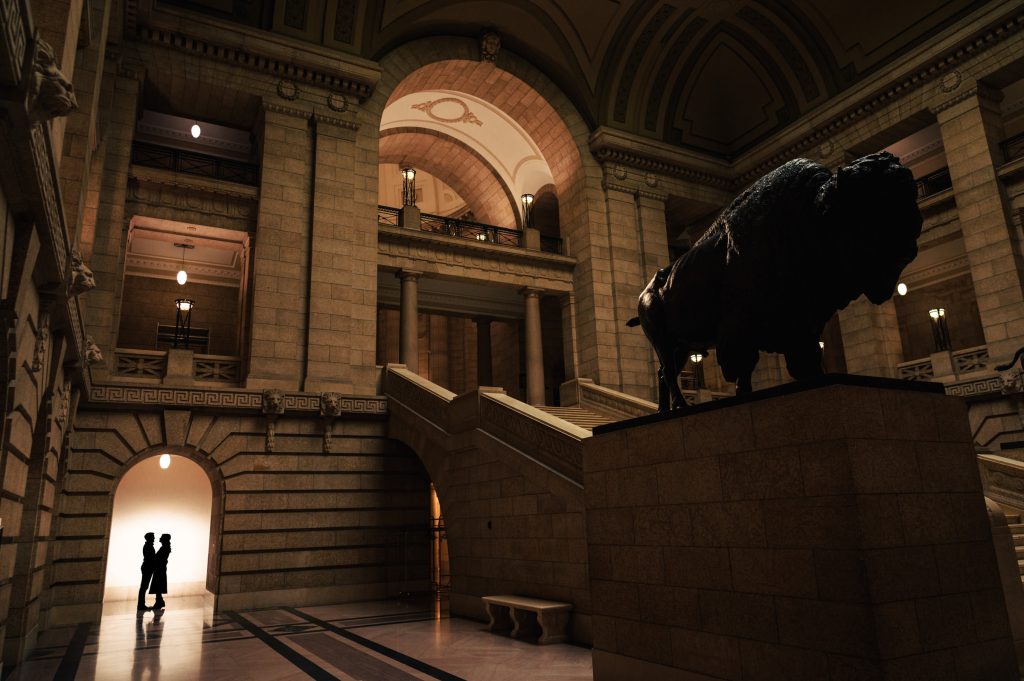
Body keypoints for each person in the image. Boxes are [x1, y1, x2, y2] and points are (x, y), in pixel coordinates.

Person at [149, 533, 171, 610]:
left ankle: (159, 601)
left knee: (158, 586)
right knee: (158, 586)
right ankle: (159, 601)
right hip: (160, 569)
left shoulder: (164, 548)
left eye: (161, 537)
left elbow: (159, 558)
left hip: (160, 569)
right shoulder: (165, 547)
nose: (160, 538)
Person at [137, 532, 155, 612]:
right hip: (147, 567)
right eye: (153, 537)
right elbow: (150, 558)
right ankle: (141, 605)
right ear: (149, 538)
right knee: (144, 587)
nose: (154, 538)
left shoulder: (148, 545)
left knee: (144, 587)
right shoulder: (148, 546)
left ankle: (141, 604)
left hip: (147, 567)